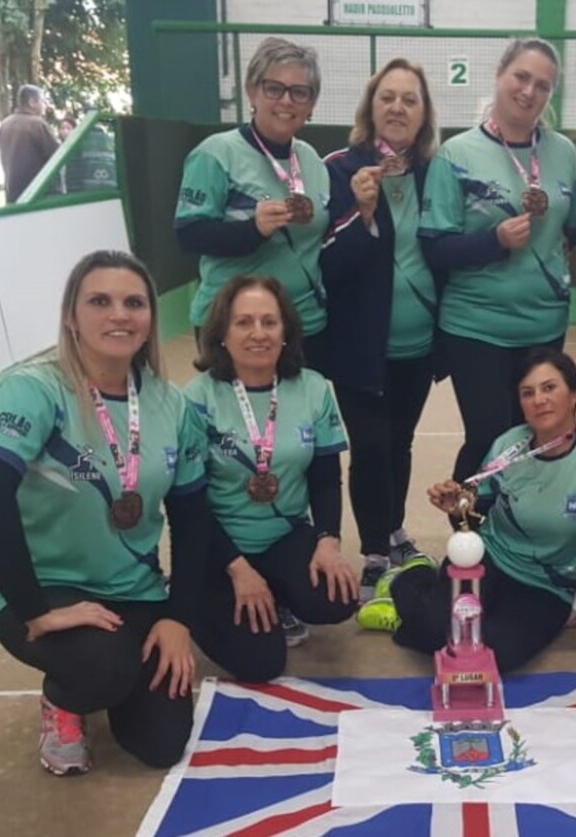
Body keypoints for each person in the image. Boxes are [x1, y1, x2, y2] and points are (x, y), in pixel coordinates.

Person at [0, 250, 208, 776]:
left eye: (134, 303)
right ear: (71, 316)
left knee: (162, 744)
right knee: (100, 670)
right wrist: (35, 609)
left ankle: (111, 673)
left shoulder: (172, 406)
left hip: (134, 590)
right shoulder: (37, 390)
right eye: (99, 301)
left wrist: (178, 617)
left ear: (150, 318)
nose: (119, 315)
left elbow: (194, 521)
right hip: (46, 586)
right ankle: (65, 699)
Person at [359, 349, 576, 671]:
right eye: (527, 393)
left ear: (574, 395)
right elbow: (472, 523)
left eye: (549, 388)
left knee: (494, 654)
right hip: (486, 561)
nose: (539, 400)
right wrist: (457, 508)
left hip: (545, 586)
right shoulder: (507, 445)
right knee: (435, 635)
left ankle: (434, 598)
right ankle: (413, 577)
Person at [418, 38, 576, 483]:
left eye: (543, 85)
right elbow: (434, 246)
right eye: (522, 77)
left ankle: (519, 539)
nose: (529, 92)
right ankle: (468, 540)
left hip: (543, 327)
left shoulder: (564, 153)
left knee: (538, 434)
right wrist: (492, 241)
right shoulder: (457, 154)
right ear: (500, 75)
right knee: (490, 436)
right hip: (476, 328)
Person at [184, 276, 359, 678]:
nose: (258, 333)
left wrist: (328, 541)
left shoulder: (312, 388)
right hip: (218, 545)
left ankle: (278, 592)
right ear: (222, 334)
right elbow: (189, 503)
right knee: (260, 663)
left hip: (283, 533)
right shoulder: (197, 397)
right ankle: (196, 599)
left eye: (269, 322)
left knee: (337, 599)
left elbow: (325, 475)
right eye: (244, 322)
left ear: (286, 332)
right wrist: (239, 569)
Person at [320, 58, 441, 599]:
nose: (397, 107)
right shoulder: (341, 168)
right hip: (360, 347)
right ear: (371, 106)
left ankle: (394, 532)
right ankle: (373, 553)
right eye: (387, 97)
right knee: (370, 445)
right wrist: (362, 215)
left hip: (419, 343)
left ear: (423, 115)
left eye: (409, 99)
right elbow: (328, 263)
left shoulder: (435, 172)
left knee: (402, 443)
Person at [175, 37, 331, 370]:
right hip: (235, 325)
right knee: (238, 420)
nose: (286, 101)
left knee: (297, 419)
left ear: (311, 103)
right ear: (252, 91)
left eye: (300, 92)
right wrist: (252, 230)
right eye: (274, 88)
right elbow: (189, 234)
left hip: (304, 322)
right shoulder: (215, 154)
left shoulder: (313, 162)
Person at [0, 84, 61, 203]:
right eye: (43, 101)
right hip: (38, 195)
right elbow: (57, 156)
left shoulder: (4, 125)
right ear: (32, 102)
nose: (45, 105)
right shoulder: (37, 124)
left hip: (13, 195)